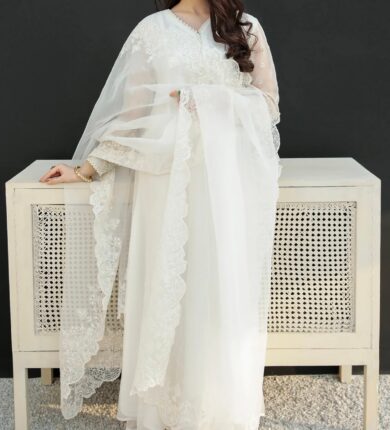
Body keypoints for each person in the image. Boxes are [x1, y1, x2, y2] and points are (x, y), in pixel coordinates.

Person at [40, 0, 281, 428]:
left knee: (217, 285)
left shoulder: (245, 27)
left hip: (226, 184)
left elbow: (268, 105)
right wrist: (87, 168)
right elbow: (130, 118)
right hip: (165, 181)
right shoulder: (152, 30)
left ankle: (216, 403)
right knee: (167, 285)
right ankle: (162, 408)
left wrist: (205, 100)